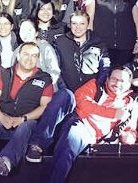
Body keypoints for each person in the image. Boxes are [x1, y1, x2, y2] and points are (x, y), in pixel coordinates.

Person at [31, 67, 138, 183]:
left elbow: (131, 131)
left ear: (129, 85)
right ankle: (37, 145)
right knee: (65, 95)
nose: (117, 83)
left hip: (87, 132)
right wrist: (113, 113)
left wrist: (129, 137)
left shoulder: (130, 105)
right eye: (114, 79)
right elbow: (81, 101)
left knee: (71, 140)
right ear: (107, 79)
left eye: (122, 81)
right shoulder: (95, 85)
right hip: (71, 119)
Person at [22, 11, 110, 163]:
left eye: (82, 23)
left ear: (88, 25)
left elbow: (105, 69)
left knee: (69, 135)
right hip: (69, 94)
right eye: (74, 23)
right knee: (63, 96)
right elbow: (58, 70)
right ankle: (37, 145)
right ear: (69, 24)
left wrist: (97, 91)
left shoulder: (98, 43)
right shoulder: (60, 41)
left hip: (90, 97)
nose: (77, 27)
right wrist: (66, 90)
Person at [0, 42, 53, 175]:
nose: (29, 59)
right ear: (18, 56)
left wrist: (23, 118)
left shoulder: (45, 79)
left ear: (38, 58)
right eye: (26, 54)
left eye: (34, 55)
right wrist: (1, 116)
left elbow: (45, 106)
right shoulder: (4, 74)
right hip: (4, 118)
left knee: (26, 127)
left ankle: (7, 160)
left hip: (27, 121)